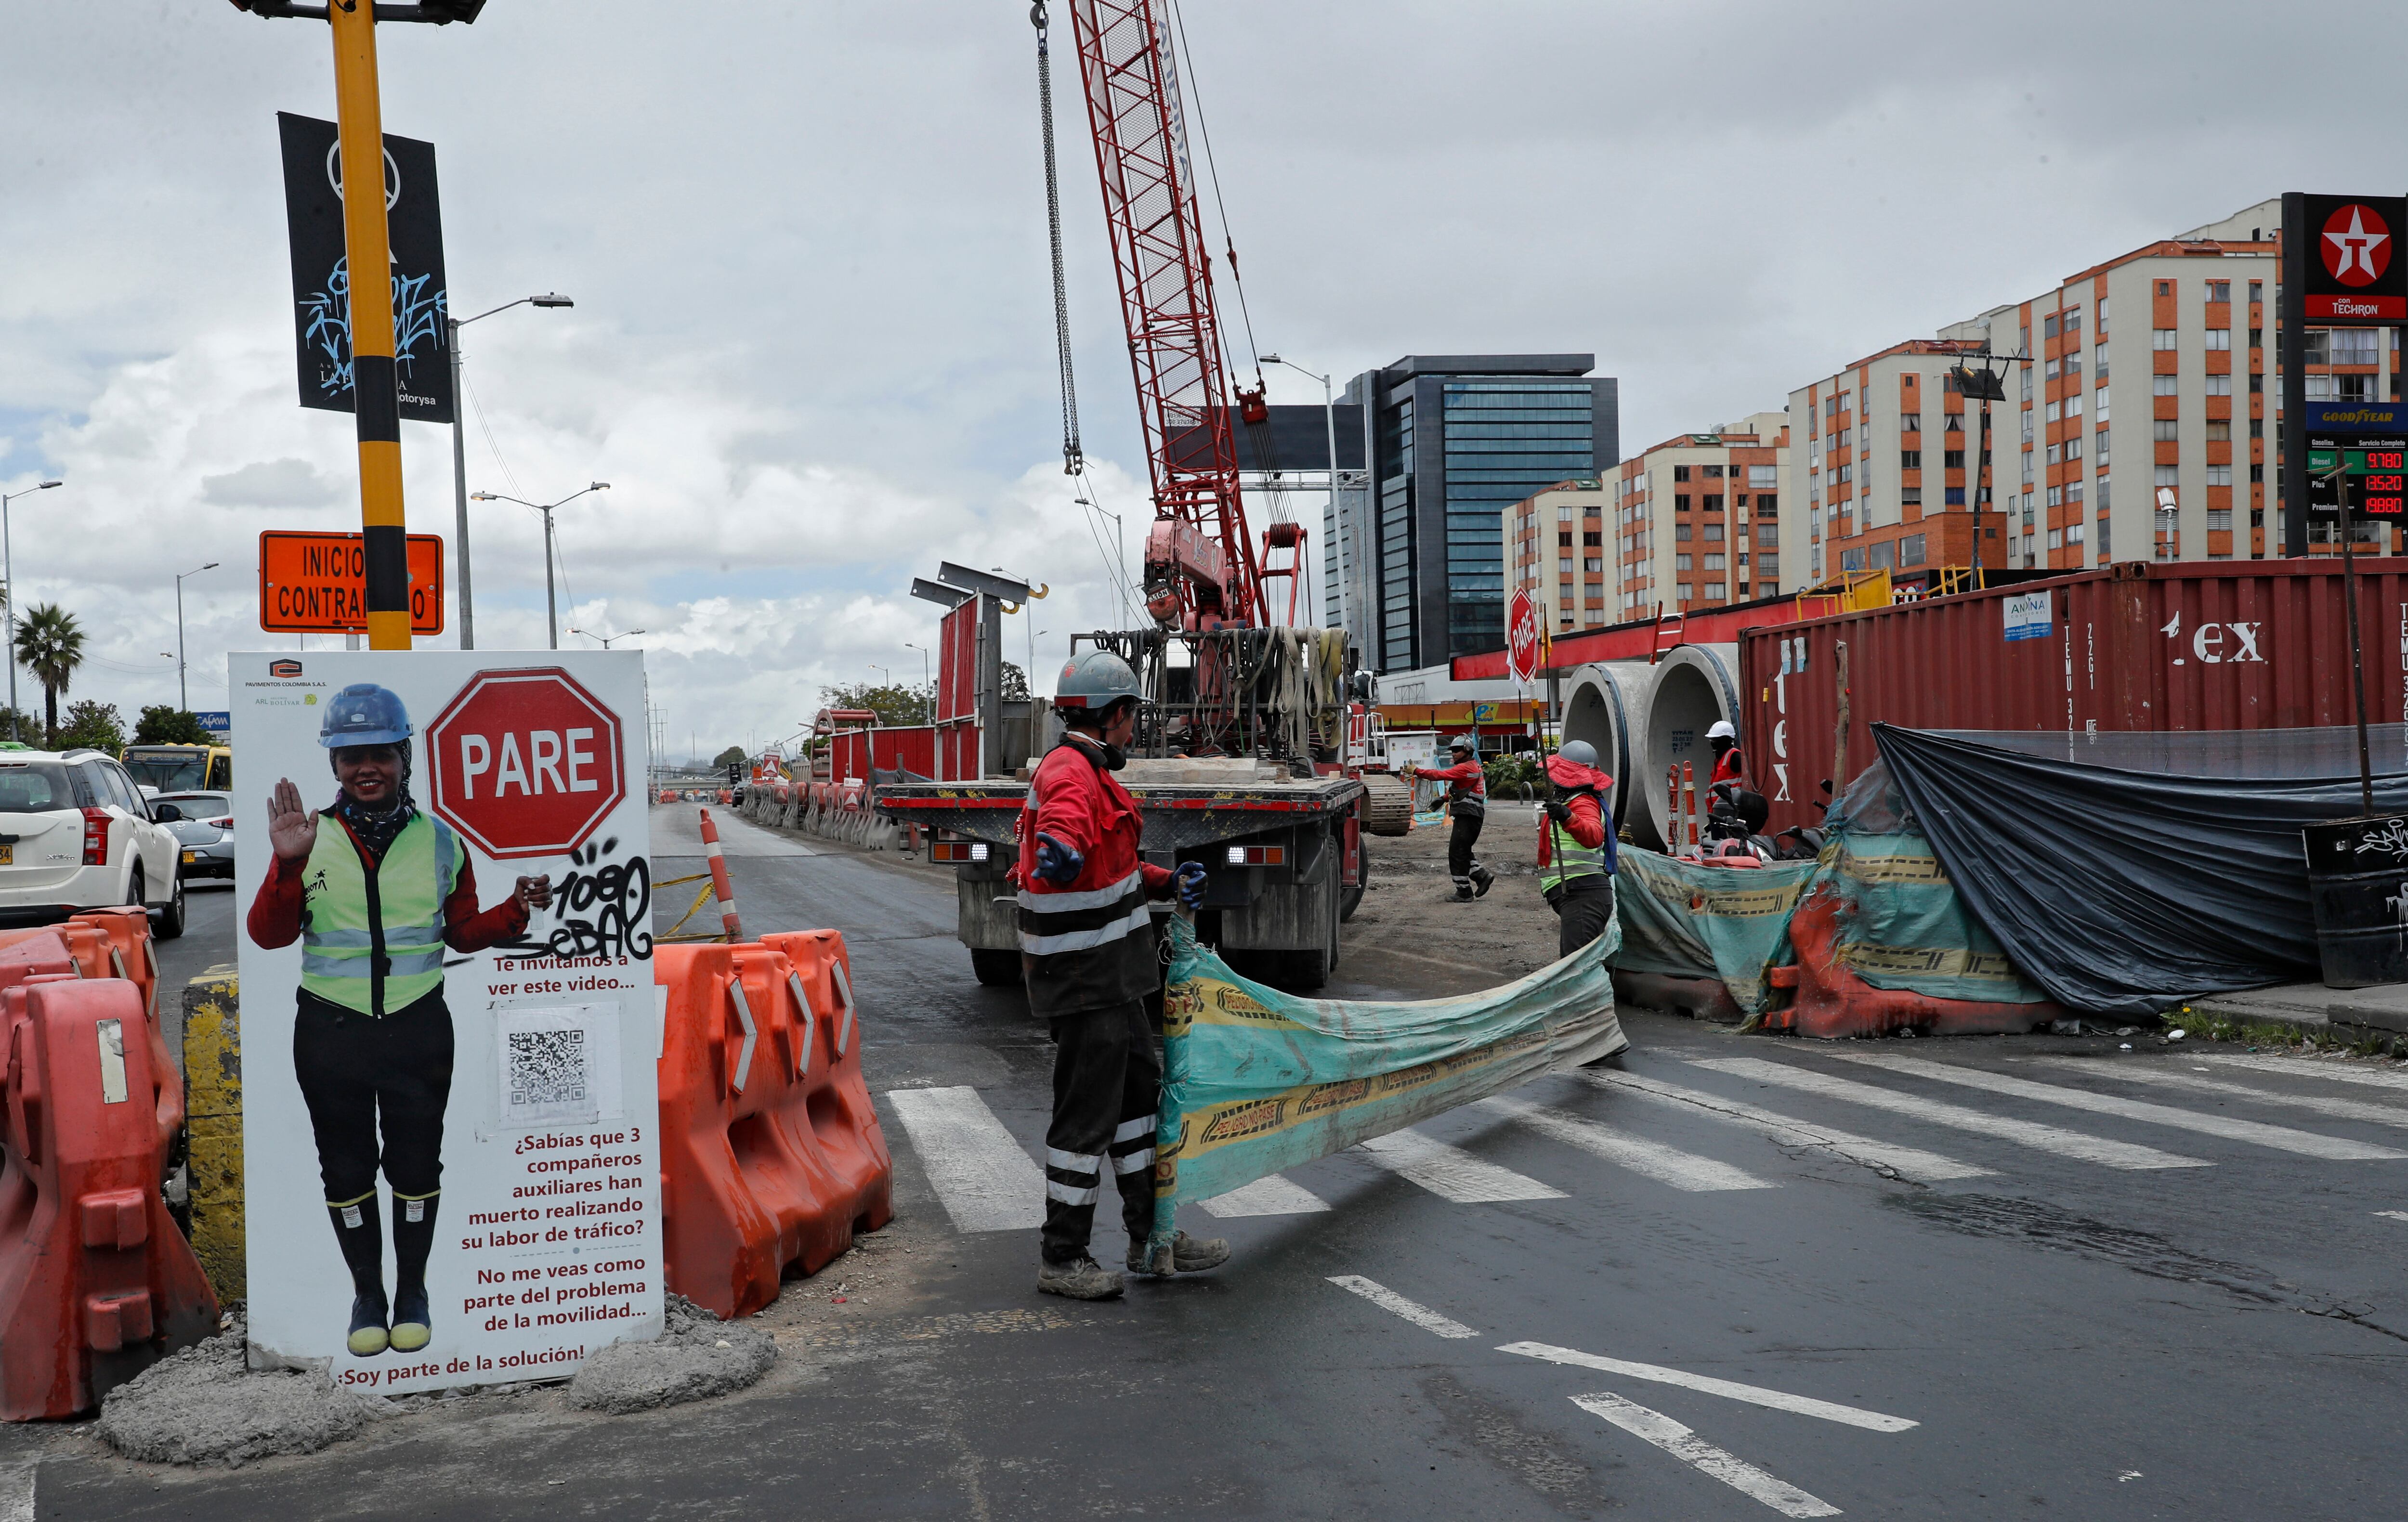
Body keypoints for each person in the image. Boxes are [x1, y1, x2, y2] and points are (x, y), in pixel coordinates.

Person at [246, 683, 553, 1360]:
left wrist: (515, 911)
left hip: (417, 1029)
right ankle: (367, 1294)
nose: (366, 767)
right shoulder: (308, 838)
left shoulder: (443, 842)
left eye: (380, 753)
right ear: (333, 763)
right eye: (351, 754)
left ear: (403, 755)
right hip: (331, 1033)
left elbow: (464, 932)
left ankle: (412, 1290)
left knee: (416, 1162)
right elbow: (269, 937)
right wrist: (287, 864)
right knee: (345, 1168)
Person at [1015, 650, 1227, 1301]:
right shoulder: (1073, 775)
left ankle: (1150, 1236)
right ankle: (1063, 1257)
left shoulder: (1092, 772)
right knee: (1087, 1119)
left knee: (1138, 1106)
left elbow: (1114, 864)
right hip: (1085, 979)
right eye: (1132, 717)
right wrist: (1057, 848)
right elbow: (1064, 829)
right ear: (1112, 716)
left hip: (1113, 979)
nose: (1135, 730)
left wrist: (1167, 881)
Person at [1539, 739, 1616, 958]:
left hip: (1583, 894)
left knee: (1578, 970)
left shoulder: (1582, 802)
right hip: (1579, 894)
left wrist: (1567, 816)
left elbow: (1594, 836)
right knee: (1578, 965)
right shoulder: (1576, 800)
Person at [1415, 735, 1494, 901]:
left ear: (1467, 751)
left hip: (1468, 816)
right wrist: (1444, 799)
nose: (1453, 754)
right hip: (1472, 816)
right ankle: (1481, 876)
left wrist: (1417, 772)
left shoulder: (1466, 768)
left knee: (1456, 852)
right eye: (1452, 751)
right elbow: (1461, 788)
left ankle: (1464, 892)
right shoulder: (1472, 767)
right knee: (1463, 850)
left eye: (1457, 751)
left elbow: (1438, 775)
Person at [1706, 719, 1746, 788]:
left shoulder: (1735, 757)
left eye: (1714, 739)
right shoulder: (1719, 760)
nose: (1712, 742)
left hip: (1732, 799)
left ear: (1724, 740)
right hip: (1722, 799)